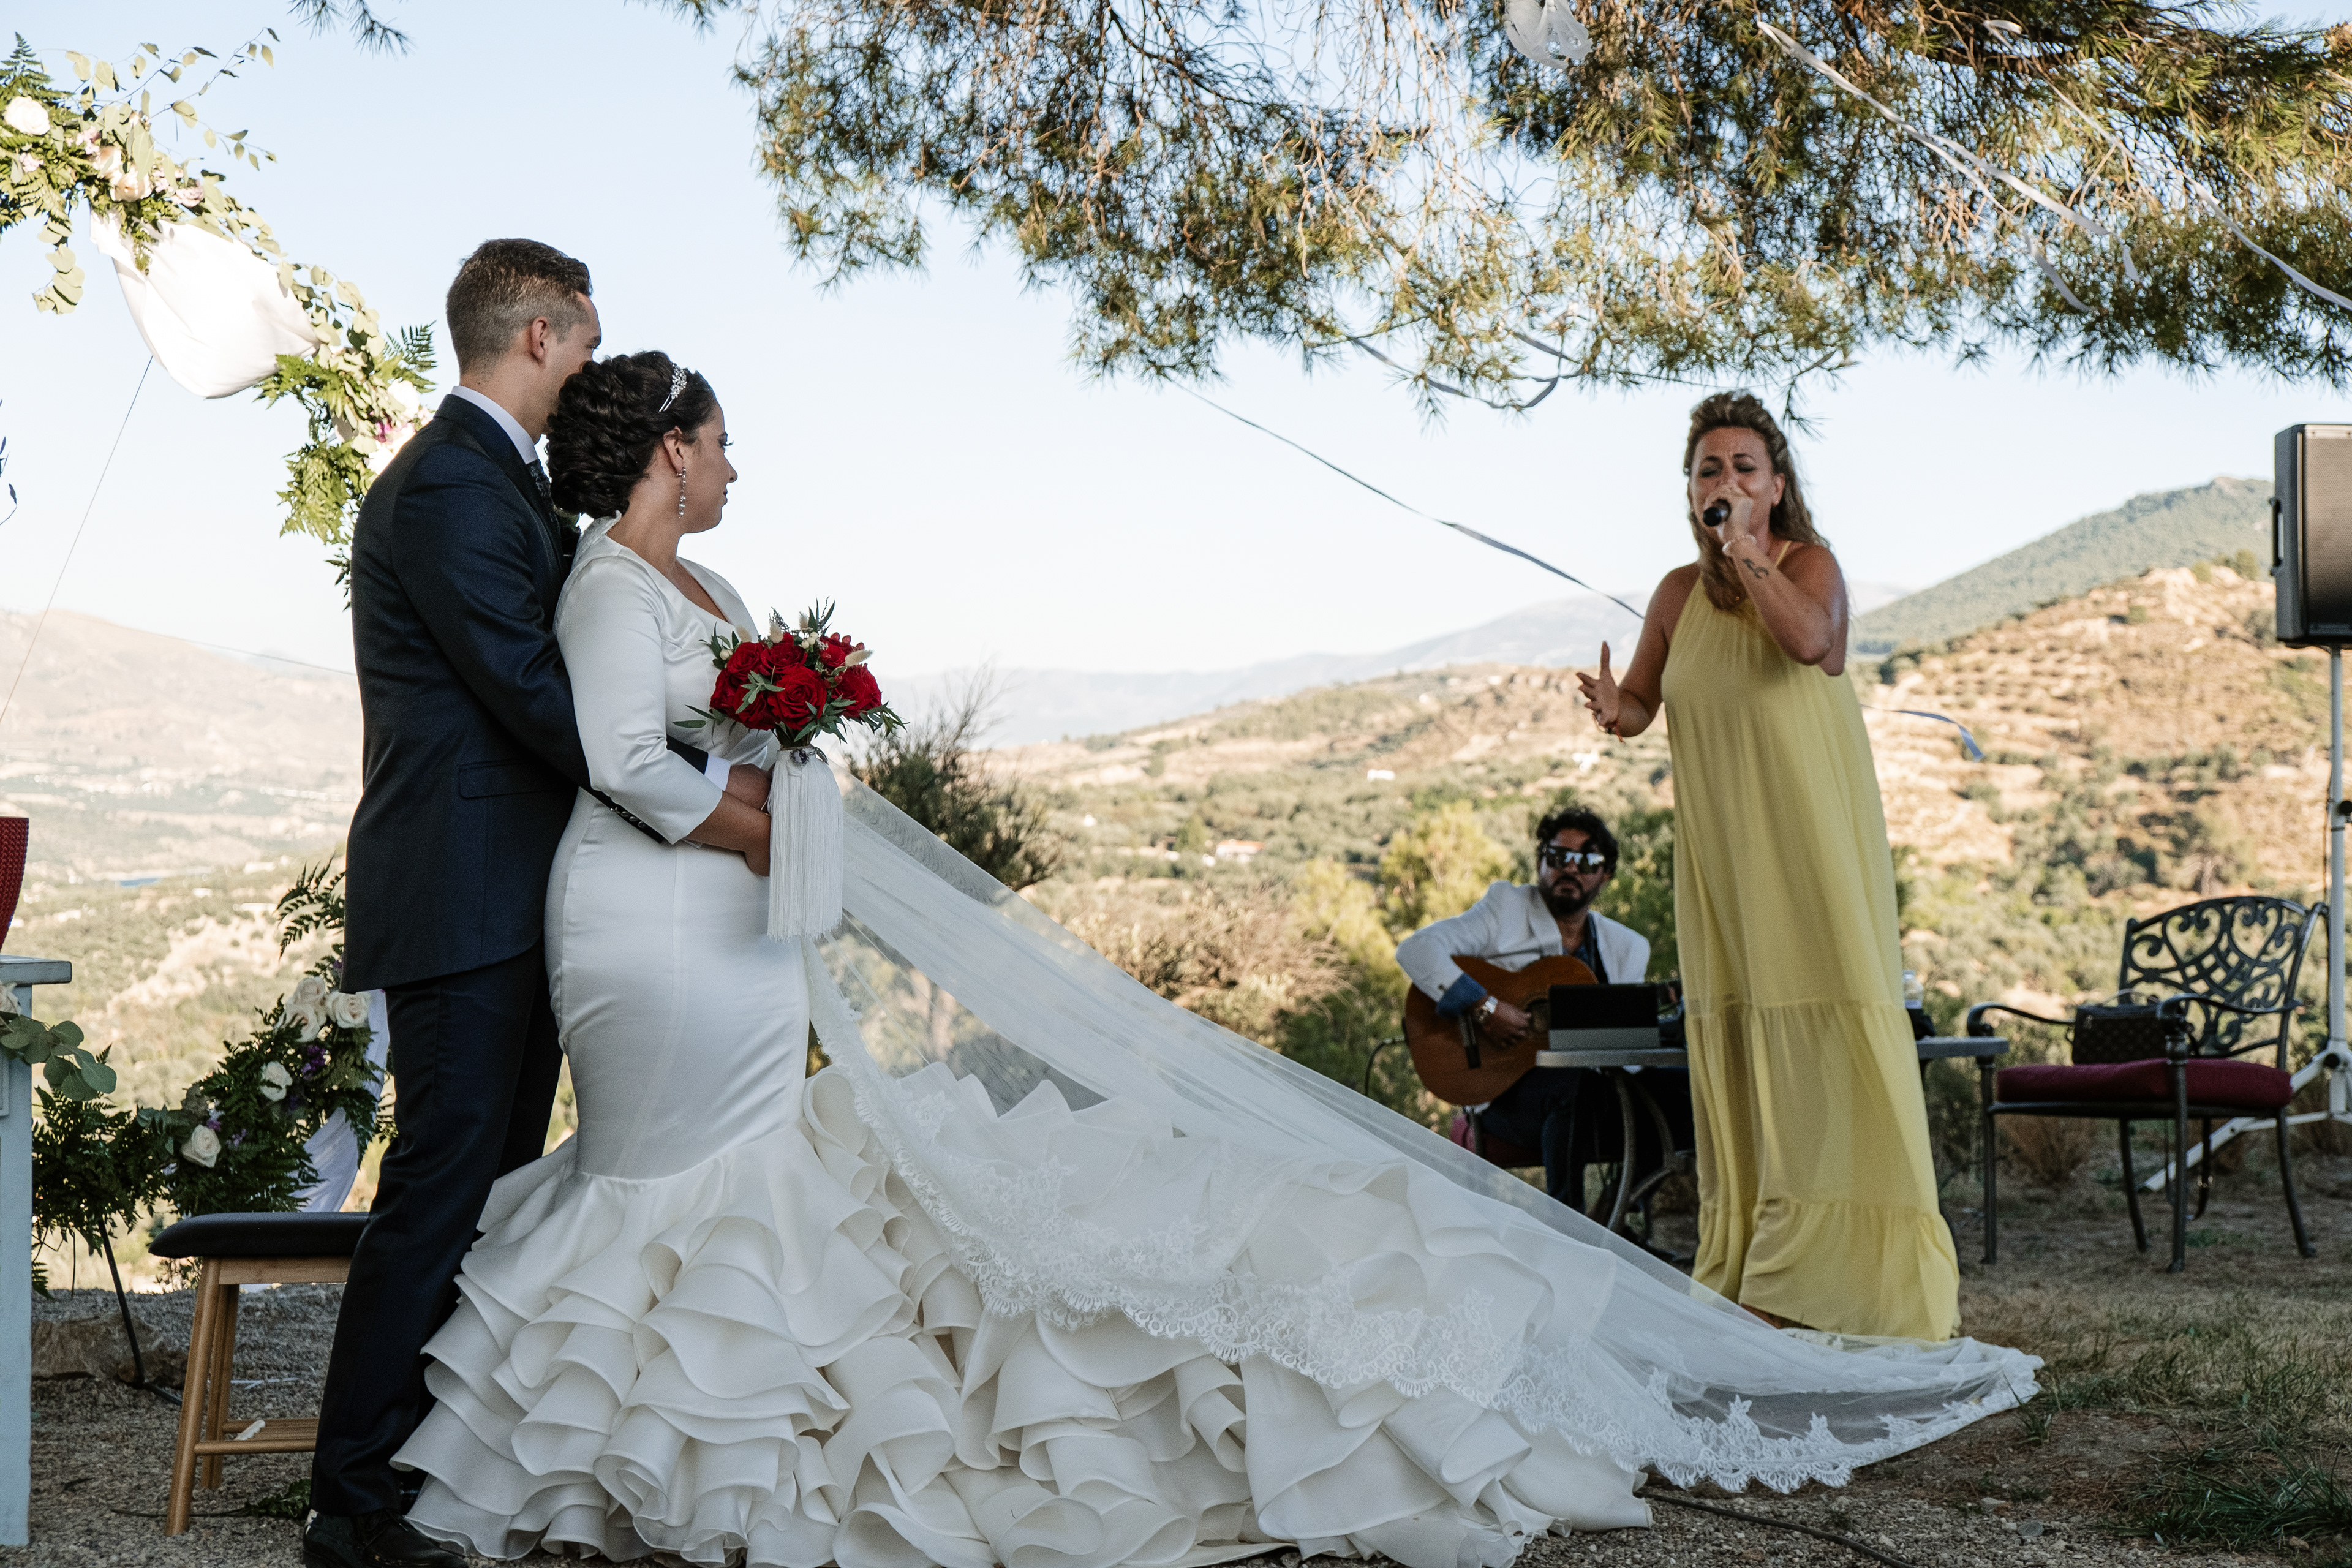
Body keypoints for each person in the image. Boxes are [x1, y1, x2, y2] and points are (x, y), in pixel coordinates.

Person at [389, 352, 2036, 1568]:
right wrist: (758, 817)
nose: (735, 463)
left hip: (729, 923)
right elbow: (623, 756)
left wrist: (776, 780)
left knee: (752, 1173)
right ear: (668, 451)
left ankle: (705, 1409)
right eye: (719, 443)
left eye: (1741, 465)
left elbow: (1817, 645)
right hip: (659, 922)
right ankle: (667, 1427)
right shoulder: (610, 591)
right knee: (692, 1178)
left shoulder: (710, 577)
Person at [310, 244, 767, 1568]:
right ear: (539, 336)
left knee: (499, 1191)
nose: (590, 371)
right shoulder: (451, 483)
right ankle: (351, 1502)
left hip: (519, 888)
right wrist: (702, 781)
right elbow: (528, 687)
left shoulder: (502, 480)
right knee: (442, 1184)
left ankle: (442, 1470)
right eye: (586, 345)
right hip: (461, 886)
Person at [1577, 391, 1959, 1341]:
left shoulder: (1806, 566)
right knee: (1747, 1046)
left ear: (1777, 486)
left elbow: (1808, 642)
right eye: (1709, 469)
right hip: (1724, 858)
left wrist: (1747, 552)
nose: (1726, 480)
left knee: (1824, 1037)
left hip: (1807, 845)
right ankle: (1757, 1265)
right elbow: (1643, 707)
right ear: (1689, 490)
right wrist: (1615, 707)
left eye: (1744, 467)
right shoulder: (1675, 594)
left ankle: (1838, 1282)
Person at [1395, 807, 1679, 1209]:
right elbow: (1417, 949)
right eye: (1559, 857)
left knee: (1685, 1087)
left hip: (1596, 1096)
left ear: (1606, 875)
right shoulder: (1506, 909)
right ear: (1540, 863)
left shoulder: (1627, 947)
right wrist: (1485, 1007)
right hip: (1505, 1096)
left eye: (1588, 861)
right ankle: (1565, 1223)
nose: (1571, 868)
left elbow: (1623, 1045)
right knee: (1574, 1082)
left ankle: (1615, 1213)